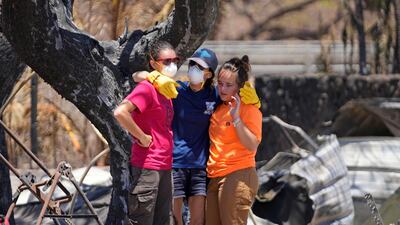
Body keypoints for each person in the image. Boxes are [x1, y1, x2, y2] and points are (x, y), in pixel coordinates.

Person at [133, 49, 260, 225]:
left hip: (201, 168)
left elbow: (236, 89)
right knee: (174, 219)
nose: (194, 68)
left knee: (199, 221)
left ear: (208, 73)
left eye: (200, 67)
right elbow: (135, 76)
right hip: (176, 164)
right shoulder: (176, 90)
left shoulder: (215, 95)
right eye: (192, 64)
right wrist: (153, 77)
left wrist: (251, 101)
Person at [113, 40, 179, 225]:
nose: (171, 65)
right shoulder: (147, 89)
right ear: (153, 63)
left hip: (164, 166)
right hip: (148, 166)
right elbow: (120, 112)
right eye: (166, 61)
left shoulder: (165, 89)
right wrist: (141, 136)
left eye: (175, 60)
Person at [206, 55, 262, 225]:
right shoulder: (218, 107)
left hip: (238, 173)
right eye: (220, 83)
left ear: (240, 86)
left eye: (229, 85)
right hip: (215, 174)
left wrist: (237, 118)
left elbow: (252, 144)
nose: (222, 89)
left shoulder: (249, 108)